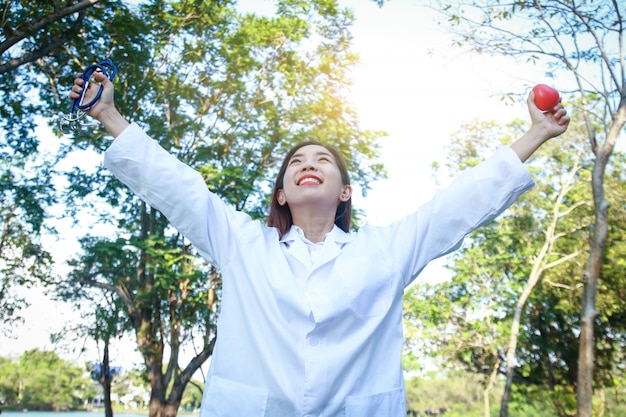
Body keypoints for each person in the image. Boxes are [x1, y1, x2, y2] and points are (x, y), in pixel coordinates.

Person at [69, 70, 569, 417]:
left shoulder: (385, 251)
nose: (310, 163)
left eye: (323, 160)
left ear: (345, 191)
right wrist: (110, 116)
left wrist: (536, 134)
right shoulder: (243, 244)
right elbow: (178, 188)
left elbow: (458, 204)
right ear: (282, 194)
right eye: (297, 162)